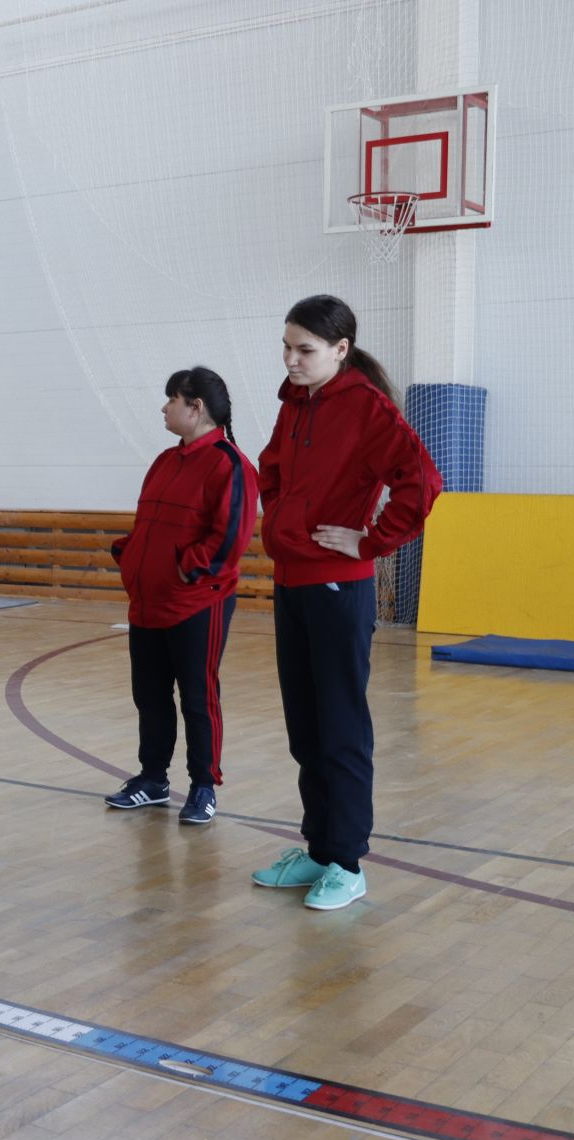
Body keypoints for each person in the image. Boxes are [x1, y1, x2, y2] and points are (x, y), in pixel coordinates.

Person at [249, 295, 442, 910]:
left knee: (340, 726)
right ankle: (318, 848)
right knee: (305, 725)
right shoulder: (296, 401)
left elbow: (422, 482)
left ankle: (348, 861)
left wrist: (373, 538)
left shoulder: (367, 408)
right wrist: (280, 519)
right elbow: (272, 468)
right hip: (293, 580)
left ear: (341, 349)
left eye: (305, 350)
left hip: (339, 586)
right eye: (287, 346)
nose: (291, 359)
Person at [105, 367, 258, 826]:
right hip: (147, 603)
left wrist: (180, 569)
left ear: (196, 407)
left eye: (171, 399)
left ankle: (203, 786)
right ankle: (153, 779)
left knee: (197, 697)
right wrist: (132, 558)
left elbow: (228, 540)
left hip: (197, 603)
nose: (164, 408)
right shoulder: (163, 462)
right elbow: (146, 528)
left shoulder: (231, 465)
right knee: (149, 696)